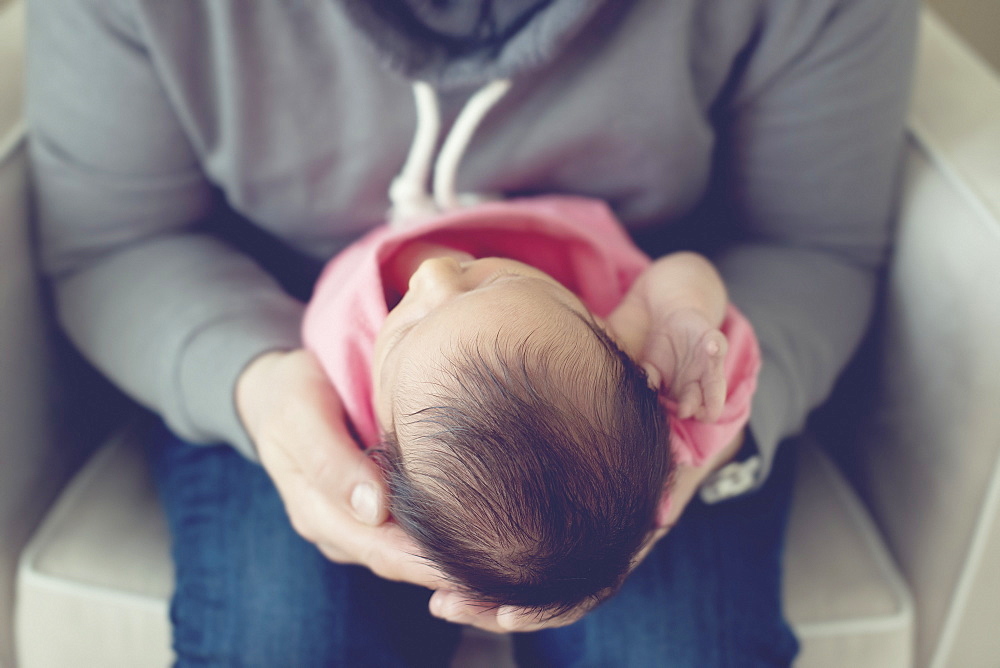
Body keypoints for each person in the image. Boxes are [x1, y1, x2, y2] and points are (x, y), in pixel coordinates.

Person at [27, 0, 917, 665]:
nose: (436, 269)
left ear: (619, 344)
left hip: (596, 431)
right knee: (282, 637)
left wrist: (695, 356)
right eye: (436, 299)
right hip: (265, 314)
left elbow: (801, 256)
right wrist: (259, 385)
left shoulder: (633, 370)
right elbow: (114, 242)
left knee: (676, 648)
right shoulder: (345, 361)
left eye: (449, 290)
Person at [301, 194, 760, 616]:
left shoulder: (356, 398)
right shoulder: (641, 359)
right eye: (502, 279)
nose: (434, 273)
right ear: (609, 333)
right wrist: (684, 310)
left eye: (404, 327)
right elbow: (682, 271)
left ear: (386, 454)